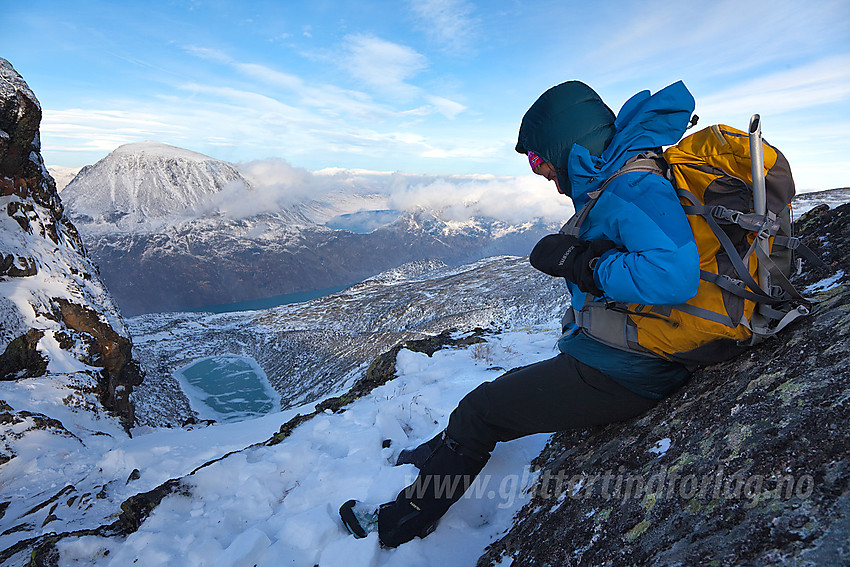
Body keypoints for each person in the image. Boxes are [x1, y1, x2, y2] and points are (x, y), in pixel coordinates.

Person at [340, 80, 700, 548]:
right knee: (492, 398)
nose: (541, 172)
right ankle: (439, 452)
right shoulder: (618, 177)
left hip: (633, 369)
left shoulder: (632, 184)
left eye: (538, 159)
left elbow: (672, 276)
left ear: (564, 143)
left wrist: (583, 264)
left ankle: (400, 521)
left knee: (480, 411)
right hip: (627, 354)